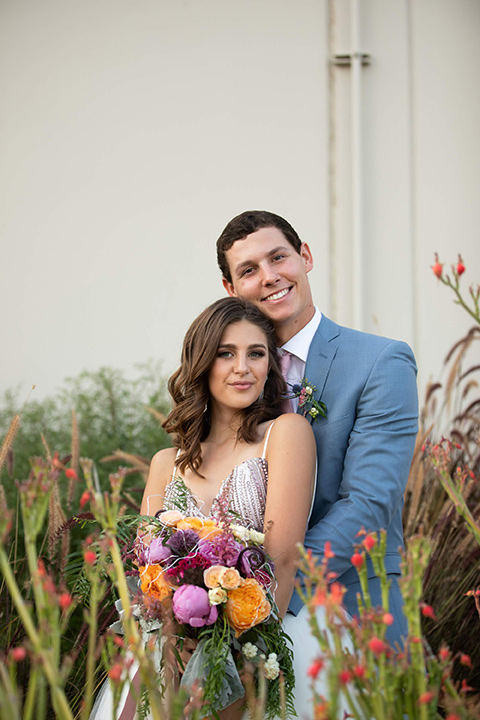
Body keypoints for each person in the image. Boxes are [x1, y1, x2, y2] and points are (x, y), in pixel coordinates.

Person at [91, 297, 318, 719]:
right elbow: (147, 576)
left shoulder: (286, 433)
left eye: (256, 354)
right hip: (168, 651)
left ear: (271, 365)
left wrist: (242, 658)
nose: (243, 367)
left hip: (254, 640)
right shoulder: (165, 464)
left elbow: (282, 559)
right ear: (201, 362)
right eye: (225, 354)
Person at [216, 210, 419, 647]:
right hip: (232, 616)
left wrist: (263, 589)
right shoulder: (230, 375)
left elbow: (369, 502)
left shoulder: (381, 362)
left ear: (305, 256)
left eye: (278, 258)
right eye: (249, 270)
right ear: (231, 289)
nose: (269, 277)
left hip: (352, 605)